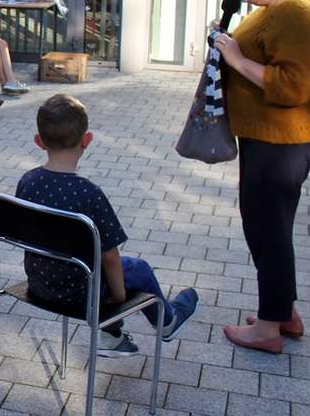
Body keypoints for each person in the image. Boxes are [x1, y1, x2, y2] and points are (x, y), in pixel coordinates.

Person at [215, 0, 310, 353]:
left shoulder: (298, 13)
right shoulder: (280, 8)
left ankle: (268, 329)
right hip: (270, 139)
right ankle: (284, 313)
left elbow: (293, 86)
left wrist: (236, 59)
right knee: (269, 227)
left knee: (268, 229)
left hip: (283, 140)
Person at [17, 94, 199, 356]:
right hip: (83, 293)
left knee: (101, 267)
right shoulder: (88, 194)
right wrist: (120, 298)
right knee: (138, 269)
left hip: (39, 285)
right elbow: (111, 258)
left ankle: (112, 336)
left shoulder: (28, 182)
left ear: (38, 142)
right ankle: (167, 321)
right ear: (87, 140)